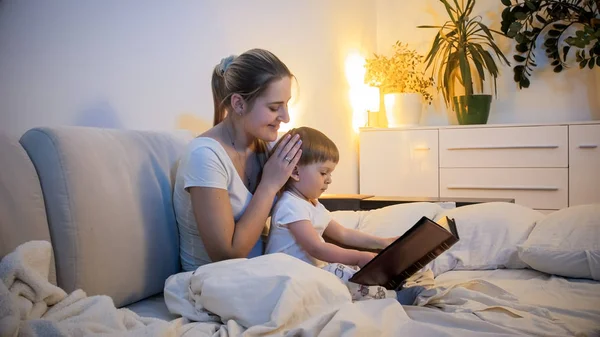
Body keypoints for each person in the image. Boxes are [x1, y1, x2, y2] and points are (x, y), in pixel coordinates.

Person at [265, 127, 428, 304]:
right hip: (289, 277)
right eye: (323, 172)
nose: (329, 179)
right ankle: (393, 296)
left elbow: (343, 234)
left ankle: (386, 283)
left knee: (344, 268)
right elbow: (316, 248)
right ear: (296, 172)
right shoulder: (290, 205)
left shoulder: (311, 203)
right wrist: (358, 257)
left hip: (309, 272)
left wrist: (382, 243)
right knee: (339, 271)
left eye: (330, 173)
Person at [173, 48, 303, 272]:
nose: (286, 117)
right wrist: (269, 186)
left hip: (260, 271)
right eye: (274, 107)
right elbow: (227, 256)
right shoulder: (205, 156)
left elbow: (306, 208)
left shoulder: (266, 145)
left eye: (286, 104)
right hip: (212, 283)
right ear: (239, 104)